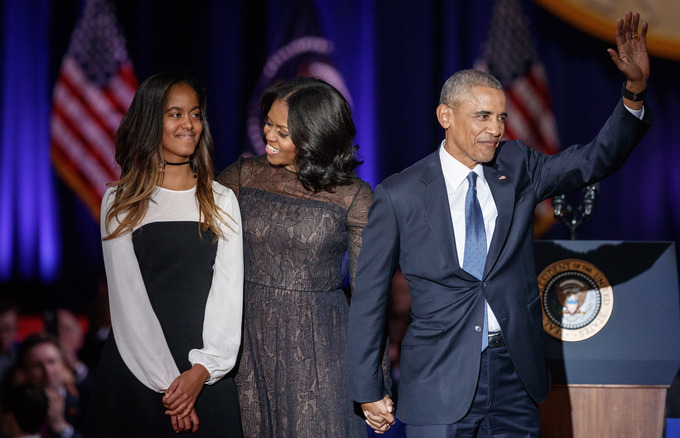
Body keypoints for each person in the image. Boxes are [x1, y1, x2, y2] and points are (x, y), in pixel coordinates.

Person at [348, 11, 651, 437]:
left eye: (502, 117)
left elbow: (590, 161)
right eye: (483, 117)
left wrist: (633, 93)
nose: (496, 129)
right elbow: (370, 298)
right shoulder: (400, 193)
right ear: (445, 116)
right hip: (439, 381)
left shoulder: (518, 164)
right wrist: (367, 388)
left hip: (514, 378)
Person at [217, 76, 383, 437]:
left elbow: (370, 297)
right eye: (268, 124)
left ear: (314, 137)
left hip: (318, 351)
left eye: (282, 131)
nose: (267, 136)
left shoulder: (353, 197)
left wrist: (373, 385)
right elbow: (191, 228)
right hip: (245, 343)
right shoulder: (244, 175)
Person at [87, 72, 244, 437]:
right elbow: (128, 301)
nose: (189, 124)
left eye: (195, 114)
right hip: (136, 374)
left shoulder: (221, 200)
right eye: (175, 114)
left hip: (207, 378)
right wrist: (171, 387)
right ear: (150, 121)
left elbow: (228, 296)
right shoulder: (121, 200)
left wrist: (201, 372)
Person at [14, 332, 82, 438]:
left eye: (52, 362)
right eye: (37, 365)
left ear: (62, 364)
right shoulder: (14, 410)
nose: (47, 370)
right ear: (24, 372)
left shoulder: (83, 402)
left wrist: (62, 427)